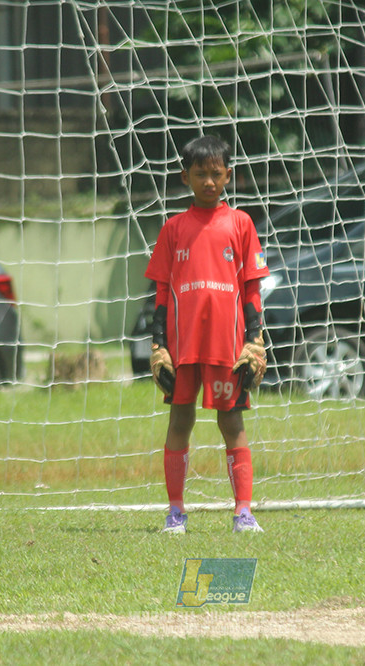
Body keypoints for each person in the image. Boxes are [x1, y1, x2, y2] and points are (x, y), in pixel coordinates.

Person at [144, 134, 270, 534]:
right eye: (200, 174)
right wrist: (158, 345)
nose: (209, 182)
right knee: (180, 420)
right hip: (182, 350)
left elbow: (252, 287)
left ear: (229, 176)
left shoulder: (241, 224)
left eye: (216, 174)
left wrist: (254, 341)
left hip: (227, 348)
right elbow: (161, 292)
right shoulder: (173, 229)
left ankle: (243, 512)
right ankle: (176, 513)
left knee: (231, 424)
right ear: (186, 176)